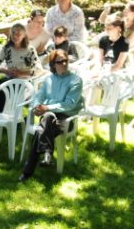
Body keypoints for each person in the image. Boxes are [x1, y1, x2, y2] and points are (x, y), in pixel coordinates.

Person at [18, 51, 84, 182]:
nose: (64, 64)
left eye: (66, 60)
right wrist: (36, 107)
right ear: (53, 64)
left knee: (41, 129)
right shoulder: (49, 79)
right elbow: (39, 96)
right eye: (60, 62)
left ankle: (28, 171)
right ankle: (47, 154)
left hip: (65, 118)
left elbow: (69, 105)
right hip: (48, 115)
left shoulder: (76, 80)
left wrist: (47, 108)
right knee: (47, 118)